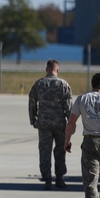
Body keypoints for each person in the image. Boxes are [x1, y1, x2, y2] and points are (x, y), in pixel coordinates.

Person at [28, 59, 72, 189]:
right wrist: (71, 124)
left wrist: (33, 119)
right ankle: (59, 178)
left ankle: (47, 179)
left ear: (47, 69)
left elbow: (32, 103)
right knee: (60, 151)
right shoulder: (63, 84)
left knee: (45, 151)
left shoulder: (39, 84)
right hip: (60, 123)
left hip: (44, 123)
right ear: (57, 70)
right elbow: (69, 106)